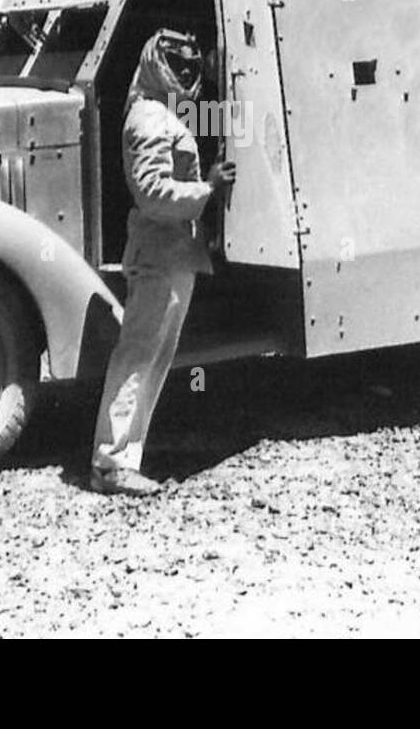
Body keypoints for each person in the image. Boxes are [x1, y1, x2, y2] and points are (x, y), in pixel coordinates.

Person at [90, 29, 237, 496]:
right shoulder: (151, 119)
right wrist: (208, 189)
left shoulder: (158, 112)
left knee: (149, 360)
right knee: (137, 358)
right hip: (160, 254)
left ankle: (122, 459)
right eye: (178, 63)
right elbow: (153, 193)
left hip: (169, 254)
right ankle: (110, 462)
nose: (188, 73)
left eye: (193, 66)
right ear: (156, 63)